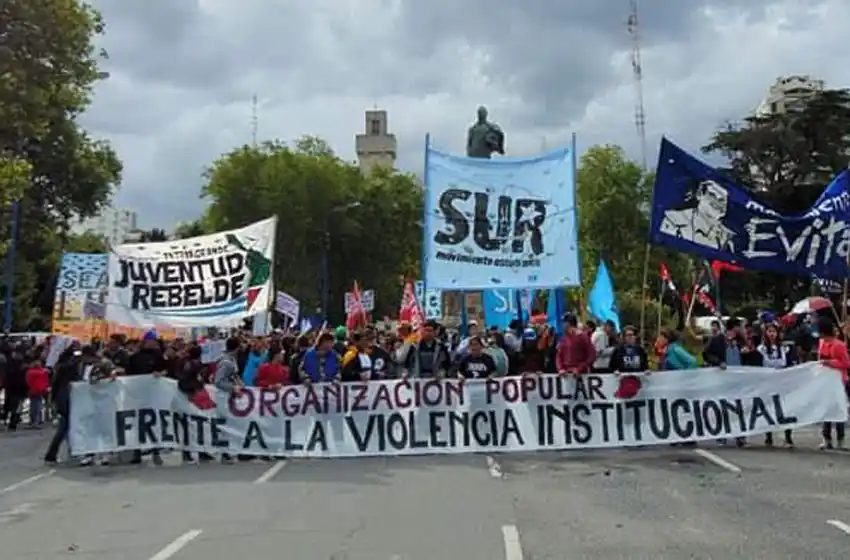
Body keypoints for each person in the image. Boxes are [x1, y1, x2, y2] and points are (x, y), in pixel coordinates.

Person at [755, 323, 796, 447]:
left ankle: (788, 437)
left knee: (786, 409)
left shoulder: (784, 348)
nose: (772, 334)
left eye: (774, 331)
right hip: (767, 383)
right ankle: (768, 436)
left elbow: (789, 364)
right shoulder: (761, 349)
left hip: (782, 382)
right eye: (769, 331)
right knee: (768, 409)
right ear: (765, 333)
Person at [817, 317, 850, 450]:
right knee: (827, 411)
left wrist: (830, 363)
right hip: (825, 381)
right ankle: (826, 438)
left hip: (839, 382)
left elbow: (846, 363)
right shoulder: (821, 343)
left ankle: (840, 439)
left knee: (839, 410)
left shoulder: (839, 345)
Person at [214, 337, 245, 463]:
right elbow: (218, 381)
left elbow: (233, 376)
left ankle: (229, 450)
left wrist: (239, 383)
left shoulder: (231, 360)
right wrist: (233, 388)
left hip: (230, 396)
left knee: (231, 423)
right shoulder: (226, 362)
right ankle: (224, 452)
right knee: (225, 424)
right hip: (223, 395)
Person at [25, 358, 50, 428]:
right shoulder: (42, 372)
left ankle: (33, 421)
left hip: (32, 391)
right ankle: (36, 421)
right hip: (39, 391)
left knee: (33, 407)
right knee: (38, 407)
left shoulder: (29, 372)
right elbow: (45, 381)